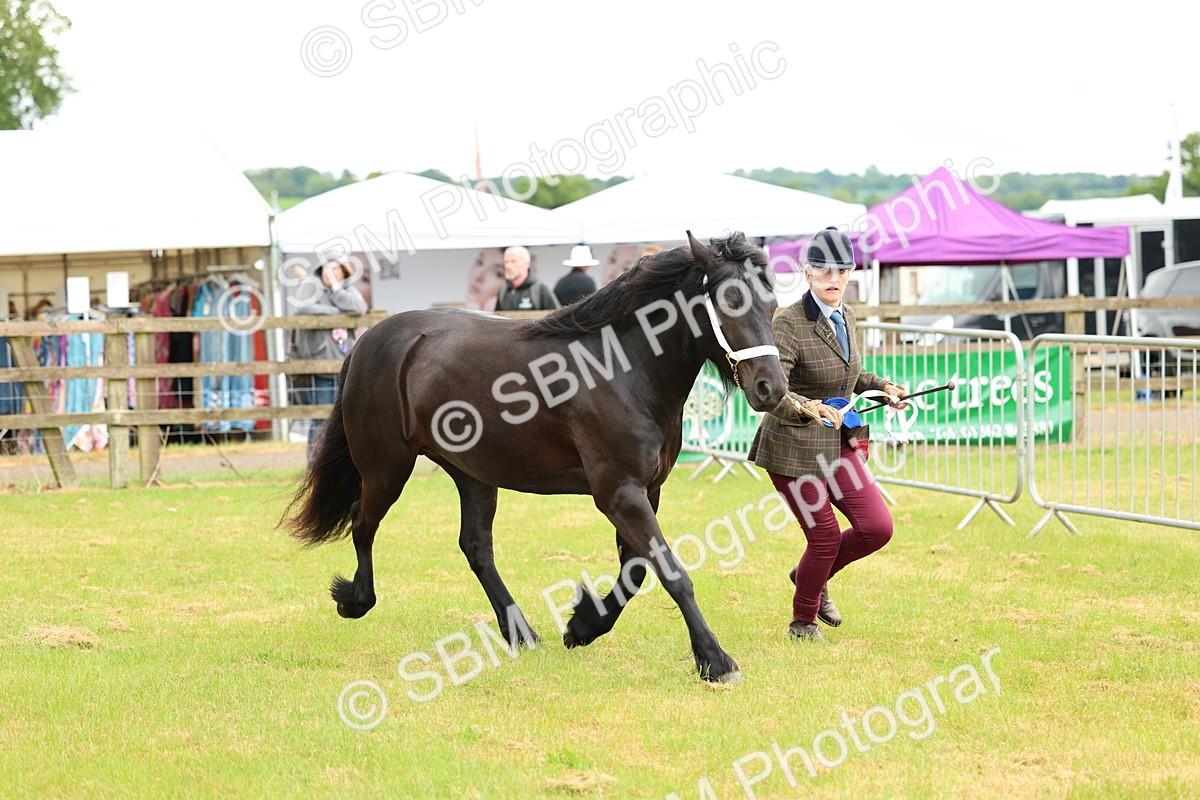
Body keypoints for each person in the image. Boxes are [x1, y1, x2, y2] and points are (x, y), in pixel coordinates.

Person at [747, 226, 909, 643]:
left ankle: (806, 577)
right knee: (824, 537)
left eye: (842, 270)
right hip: (794, 449)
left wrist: (883, 386)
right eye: (823, 270)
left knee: (877, 528)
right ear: (806, 272)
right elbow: (772, 390)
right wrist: (809, 408)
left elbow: (848, 375)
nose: (833, 278)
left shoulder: (847, 315)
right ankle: (803, 621)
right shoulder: (788, 322)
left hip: (841, 444)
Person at [290, 258, 367, 459]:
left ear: (344, 272)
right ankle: (315, 461)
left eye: (336, 269)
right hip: (318, 362)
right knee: (321, 417)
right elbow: (301, 308)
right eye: (328, 267)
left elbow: (359, 308)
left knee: (344, 417)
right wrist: (336, 312)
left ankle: (340, 461)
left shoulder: (347, 290)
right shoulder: (311, 286)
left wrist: (336, 289)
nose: (331, 272)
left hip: (344, 365)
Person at [496, 245, 559, 311]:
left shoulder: (540, 290)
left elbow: (557, 317)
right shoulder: (503, 291)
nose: (508, 266)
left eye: (513, 261)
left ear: (527, 264)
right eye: (506, 262)